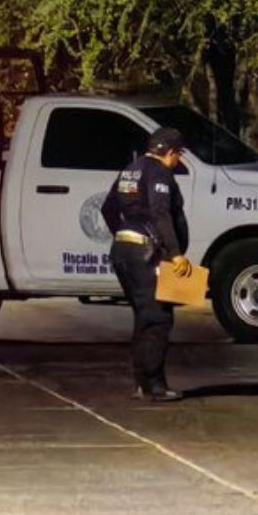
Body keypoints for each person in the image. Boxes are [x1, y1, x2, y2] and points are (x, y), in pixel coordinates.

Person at [101, 127, 193, 402]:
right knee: (157, 317)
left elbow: (107, 207)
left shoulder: (130, 169)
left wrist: (124, 233)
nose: (178, 162)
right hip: (146, 253)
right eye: (178, 155)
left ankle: (143, 383)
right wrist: (176, 253)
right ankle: (154, 386)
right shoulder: (160, 173)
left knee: (144, 315)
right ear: (171, 153)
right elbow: (160, 211)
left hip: (123, 250)